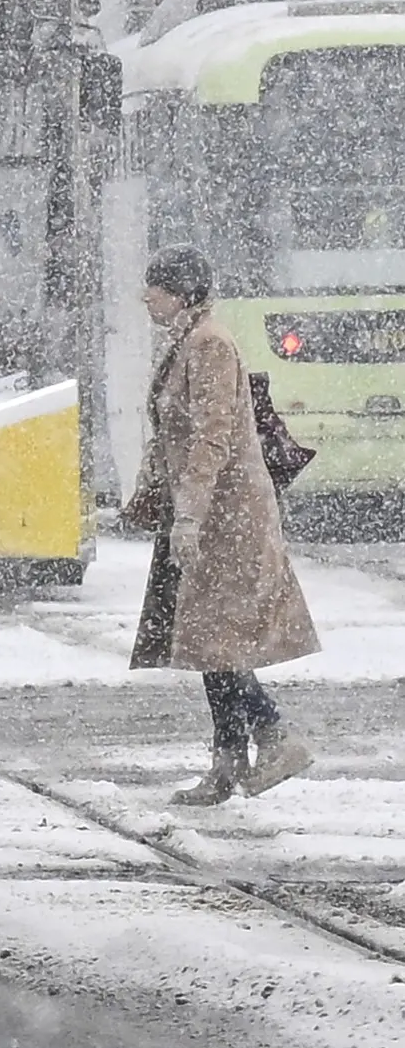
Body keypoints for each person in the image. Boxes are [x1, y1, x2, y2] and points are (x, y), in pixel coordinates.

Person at [126, 245, 319, 802]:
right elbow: (173, 434)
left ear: (181, 293)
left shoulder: (209, 343)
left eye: (156, 286)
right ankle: (229, 763)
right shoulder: (188, 340)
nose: (146, 296)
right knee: (209, 640)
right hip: (207, 511)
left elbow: (211, 436)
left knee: (215, 640)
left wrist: (190, 516)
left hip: (224, 516)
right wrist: (154, 492)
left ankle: (274, 734)